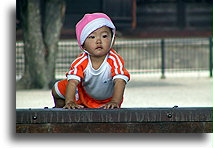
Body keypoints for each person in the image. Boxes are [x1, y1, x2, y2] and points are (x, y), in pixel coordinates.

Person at [51, 13, 130, 109]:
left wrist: (115, 101)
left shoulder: (114, 59)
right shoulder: (81, 61)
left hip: (106, 100)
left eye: (104, 36)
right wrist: (70, 101)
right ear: (83, 44)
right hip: (83, 94)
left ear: (112, 40)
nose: (99, 41)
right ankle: (59, 110)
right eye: (92, 37)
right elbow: (72, 82)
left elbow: (120, 81)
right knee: (57, 89)